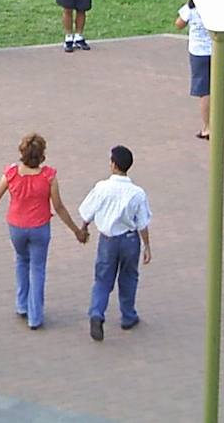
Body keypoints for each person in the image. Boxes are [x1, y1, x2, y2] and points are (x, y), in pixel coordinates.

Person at [0, 133, 87, 330]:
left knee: (21, 260)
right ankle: (35, 316)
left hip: (16, 227)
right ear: (42, 155)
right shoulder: (49, 176)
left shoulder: (11, 173)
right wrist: (76, 231)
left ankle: (22, 304)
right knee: (37, 268)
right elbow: (59, 207)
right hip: (39, 228)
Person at [79, 145, 152, 340]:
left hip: (108, 240)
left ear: (113, 164)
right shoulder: (137, 193)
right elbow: (142, 222)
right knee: (129, 277)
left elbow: (88, 211)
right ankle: (128, 316)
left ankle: (96, 313)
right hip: (129, 240)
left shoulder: (102, 187)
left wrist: (84, 227)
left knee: (103, 279)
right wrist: (147, 246)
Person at [174, 0, 212, 139]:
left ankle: (207, 127)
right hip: (216, 51)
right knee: (217, 88)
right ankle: (218, 122)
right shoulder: (216, 7)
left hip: (198, 52)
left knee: (204, 91)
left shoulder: (191, 9)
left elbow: (179, 24)